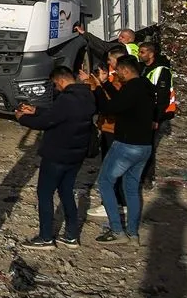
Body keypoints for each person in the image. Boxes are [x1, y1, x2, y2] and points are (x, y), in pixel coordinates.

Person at [81, 56, 164, 244]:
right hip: (144, 146)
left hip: (126, 145)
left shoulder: (132, 89)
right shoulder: (145, 86)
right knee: (132, 189)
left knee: (105, 182)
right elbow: (121, 101)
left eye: (118, 70)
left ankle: (117, 230)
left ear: (126, 70)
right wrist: (104, 84)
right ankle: (133, 233)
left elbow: (109, 107)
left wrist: (97, 89)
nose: (116, 74)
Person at [15, 66, 97, 248]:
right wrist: (35, 110)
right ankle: (71, 235)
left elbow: (48, 121)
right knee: (66, 192)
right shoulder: (88, 95)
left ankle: (46, 237)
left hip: (57, 154)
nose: (56, 88)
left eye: (55, 84)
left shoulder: (66, 100)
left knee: (45, 194)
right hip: (77, 154)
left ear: (60, 80)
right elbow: (58, 115)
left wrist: (22, 118)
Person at [87, 46, 128, 218]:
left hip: (112, 128)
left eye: (110, 61)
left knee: (110, 168)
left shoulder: (119, 81)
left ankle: (110, 204)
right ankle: (122, 202)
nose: (108, 64)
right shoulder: (127, 79)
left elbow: (107, 103)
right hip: (118, 128)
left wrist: (97, 85)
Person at [138, 41, 177, 189]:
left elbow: (162, 98)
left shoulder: (162, 71)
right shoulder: (143, 67)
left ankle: (148, 178)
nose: (139, 55)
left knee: (149, 147)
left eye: (142, 52)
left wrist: (156, 119)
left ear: (151, 54)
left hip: (158, 116)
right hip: (146, 113)